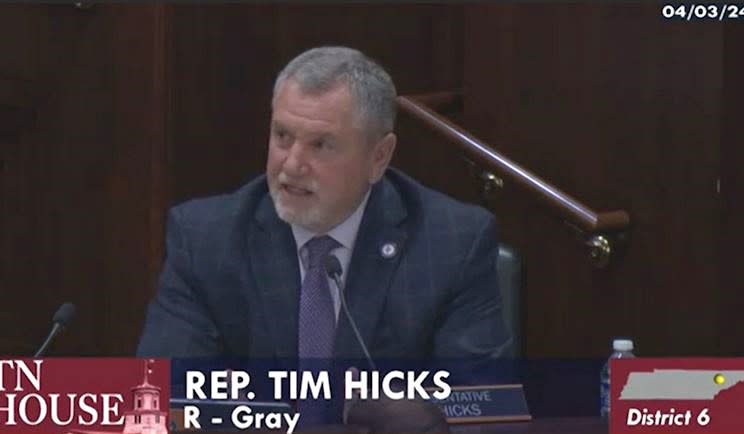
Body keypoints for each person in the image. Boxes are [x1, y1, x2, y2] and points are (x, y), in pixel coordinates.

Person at [137, 46, 511, 365]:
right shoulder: (205, 239)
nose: (292, 165)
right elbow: (162, 399)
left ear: (379, 157)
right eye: (282, 136)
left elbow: (482, 406)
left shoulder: (452, 244)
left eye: (321, 145)